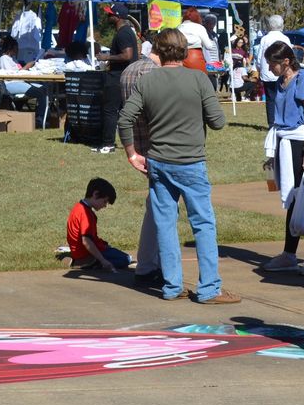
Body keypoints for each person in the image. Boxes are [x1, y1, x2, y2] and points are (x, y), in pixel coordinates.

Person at [118, 28, 237, 304]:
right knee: (203, 224)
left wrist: (132, 154)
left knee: (165, 224)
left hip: (159, 162)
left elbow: (125, 119)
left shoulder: (147, 82)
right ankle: (209, 288)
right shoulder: (198, 79)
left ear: (157, 51)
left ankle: (172, 286)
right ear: (184, 51)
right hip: (191, 162)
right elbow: (218, 122)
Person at [260, 41, 304, 276]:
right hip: (285, 142)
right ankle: (289, 254)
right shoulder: (280, 82)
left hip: (301, 142)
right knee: (293, 198)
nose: (270, 68)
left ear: (286, 62)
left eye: (273, 63)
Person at [119, 48, 163, 287]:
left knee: (157, 205)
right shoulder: (156, 74)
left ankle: (150, 263)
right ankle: (150, 265)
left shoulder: (129, 70)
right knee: (161, 208)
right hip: (159, 146)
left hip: (139, 144)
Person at [95, 3, 139, 154]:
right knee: (122, 111)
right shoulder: (125, 31)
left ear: (118, 16)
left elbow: (127, 55)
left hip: (118, 77)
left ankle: (108, 144)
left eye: (110, 14)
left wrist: (107, 57)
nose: (108, 16)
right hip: (123, 75)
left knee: (110, 110)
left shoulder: (123, 33)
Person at [65, 177, 131, 272]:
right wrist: (103, 261)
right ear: (95, 194)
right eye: (104, 201)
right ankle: (91, 263)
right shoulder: (85, 214)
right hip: (86, 254)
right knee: (126, 259)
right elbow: (86, 241)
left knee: (117, 253)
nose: (105, 206)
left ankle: (86, 261)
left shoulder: (77, 207)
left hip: (79, 252)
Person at [0, 35, 50, 127]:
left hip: (19, 82)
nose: (18, 50)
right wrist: (26, 67)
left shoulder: (13, 59)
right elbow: (10, 76)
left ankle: (42, 116)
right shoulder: (3, 59)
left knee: (44, 88)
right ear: (11, 47)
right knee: (40, 92)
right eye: (16, 48)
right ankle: (40, 119)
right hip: (10, 84)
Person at [256, 15, 291, 127]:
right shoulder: (285, 39)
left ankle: (271, 123)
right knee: (284, 98)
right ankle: (282, 120)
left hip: (268, 73)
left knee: (270, 99)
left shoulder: (265, 39)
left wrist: (259, 69)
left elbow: (259, 57)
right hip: (282, 72)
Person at [178, 8, 213, 74]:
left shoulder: (178, 28)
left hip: (181, 57)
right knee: (200, 81)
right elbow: (209, 46)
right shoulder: (199, 27)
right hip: (196, 56)